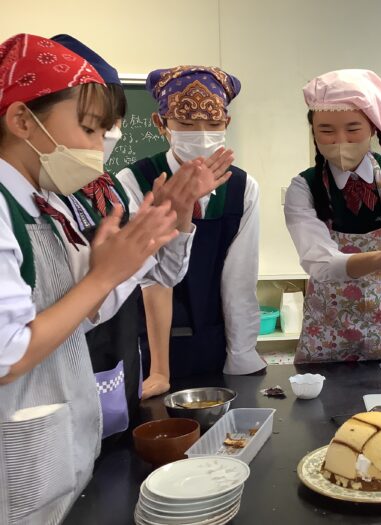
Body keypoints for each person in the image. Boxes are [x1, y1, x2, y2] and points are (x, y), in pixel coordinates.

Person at [0, 33, 179, 523]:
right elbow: (8, 355)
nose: (100, 148)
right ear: (22, 120)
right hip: (19, 461)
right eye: (89, 129)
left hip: (58, 449)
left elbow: (78, 314)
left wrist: (150, 241)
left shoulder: (45, 202)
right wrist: (102, 278)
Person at [51, 35, 228, 437]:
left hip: (115, 361)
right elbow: (28, 336)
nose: (105, 138)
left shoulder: (105, 189)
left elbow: (159, 276)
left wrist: (177, 218)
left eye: (111, 125)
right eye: (90, 126)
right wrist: (104, 278)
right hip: (58, 383)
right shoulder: (30, 205)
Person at [117, 65, 266, 392]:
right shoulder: (133, 182)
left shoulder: (242, 187)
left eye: (213, 125)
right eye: (185, 124)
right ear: (161, 124)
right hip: (145, 345)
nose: (201, 135)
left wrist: (241, 356)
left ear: (227, 123)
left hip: (213, 343)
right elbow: (147, 275)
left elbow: (239, 278)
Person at [284, 69, 381, 363]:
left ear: (372, 128)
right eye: (326, 130)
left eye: (353, 129)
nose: (340, 140)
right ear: (313, 131)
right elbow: (319, 262)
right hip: (329, 334)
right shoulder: (304, 187)